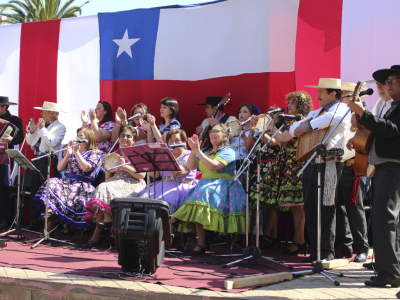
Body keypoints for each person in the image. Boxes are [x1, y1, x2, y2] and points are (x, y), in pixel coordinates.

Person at [346, 65, 400, 288]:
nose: (389, 84)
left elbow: (391, 130)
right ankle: (389, 269)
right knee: (386, 221)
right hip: (383, 167)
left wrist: (363, 114)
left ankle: (389, 272)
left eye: (394, 80)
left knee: (384, 220)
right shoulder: (391, 105)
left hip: (392, 167)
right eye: (387, 80)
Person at [290, 78, 350, 263]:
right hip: (311, 162)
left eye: (322, 92)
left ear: (333, 93)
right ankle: (316, 250)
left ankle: (326, 251)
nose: (318, 95)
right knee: (310, 207)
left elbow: (333, 119)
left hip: (330, 161)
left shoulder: (340, 108)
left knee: (326, 206)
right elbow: (293, 128)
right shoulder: (317, 111)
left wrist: (307, 125)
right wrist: (303, 125)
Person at [250, 91, 313, 256]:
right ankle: (298, 240)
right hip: (285, 162)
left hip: (295, 164)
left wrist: (271, 126)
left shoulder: (301, 120)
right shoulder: (291, 121)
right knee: (295, 207)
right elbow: (277, 141)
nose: (289, 106)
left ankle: (300, 241)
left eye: (292, 103)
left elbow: (283, 138)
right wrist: (260, 128)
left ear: (300, 105)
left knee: (297, 206)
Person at [173, 124, 247, 254]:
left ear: (225, 135)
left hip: (224, 185)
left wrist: (198, 151)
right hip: (206, 185)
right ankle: (201, 243)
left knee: (200, 195)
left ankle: (175, 219)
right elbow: (190, 166)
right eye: (211, 131)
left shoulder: (228, 150)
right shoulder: (206, 151)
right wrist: (194, 150)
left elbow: (213, 166)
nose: (212, 134)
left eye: (216, 131)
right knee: (196, 196)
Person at [84, 125, 146, 248]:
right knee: (104, 186)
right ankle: (105, 223)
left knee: (104, 188)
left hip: (132, 183)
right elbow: (108, 176)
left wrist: (124, 167)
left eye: (129, 136)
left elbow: (141, 175)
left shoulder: (137, 153)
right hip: (114, 182)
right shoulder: (115, 154)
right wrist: (110, 168)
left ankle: (97, 235)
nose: (125, 138)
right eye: (122, 136)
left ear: (133, 140)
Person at [31, 128, 104, 230]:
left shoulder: (96, 153)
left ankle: (48, 227)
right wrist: (68, 155)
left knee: (62, 192)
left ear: (88, 138)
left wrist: (77, 153)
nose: (77, 138)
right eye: (77, 135)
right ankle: (49, 218)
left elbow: (86, 168)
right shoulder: (73, 152)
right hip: (67, 183)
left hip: (82, 185)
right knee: (51, 182)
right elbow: (59, 168)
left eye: (80, 136)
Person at [334, 82, 371, 263]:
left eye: (347, 96)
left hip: (353, 163)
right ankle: (344, 245)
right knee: (338, 206)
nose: (344, 100)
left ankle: (362, 247)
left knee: (354, 207)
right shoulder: (338, 112)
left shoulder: (361, 112)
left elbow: (362, 131)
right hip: (338, 163)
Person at [25, 101, 66, 231]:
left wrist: (42, 129)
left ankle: (47, 224)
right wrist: (32, 130)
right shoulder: (40, 124)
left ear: (52, 114)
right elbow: (30, 142)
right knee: (34, 191)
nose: (41, 113)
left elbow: (52, 143)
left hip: (48, 161)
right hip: (37, 160)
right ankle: (33, 222)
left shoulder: (60, 126)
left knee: (47, 193)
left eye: (44, 112)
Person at [140, 129, 198, 214]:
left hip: (180, 188)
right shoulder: (166, 155)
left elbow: (177, 172)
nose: (174, 144)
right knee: (144, 201)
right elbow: (154, 175)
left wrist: (164, 154)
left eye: (177, 141)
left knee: (165, 207)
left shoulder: (189, 154)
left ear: (184, 142)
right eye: (171, 141)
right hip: (162, 186)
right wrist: (155, 158)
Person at [0, 97, 23, 230]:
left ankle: (4, 219)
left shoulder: (15, 120)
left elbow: (20, 138)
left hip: (5, 158)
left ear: (4, 106)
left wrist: (11, 138)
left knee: (4, 188)